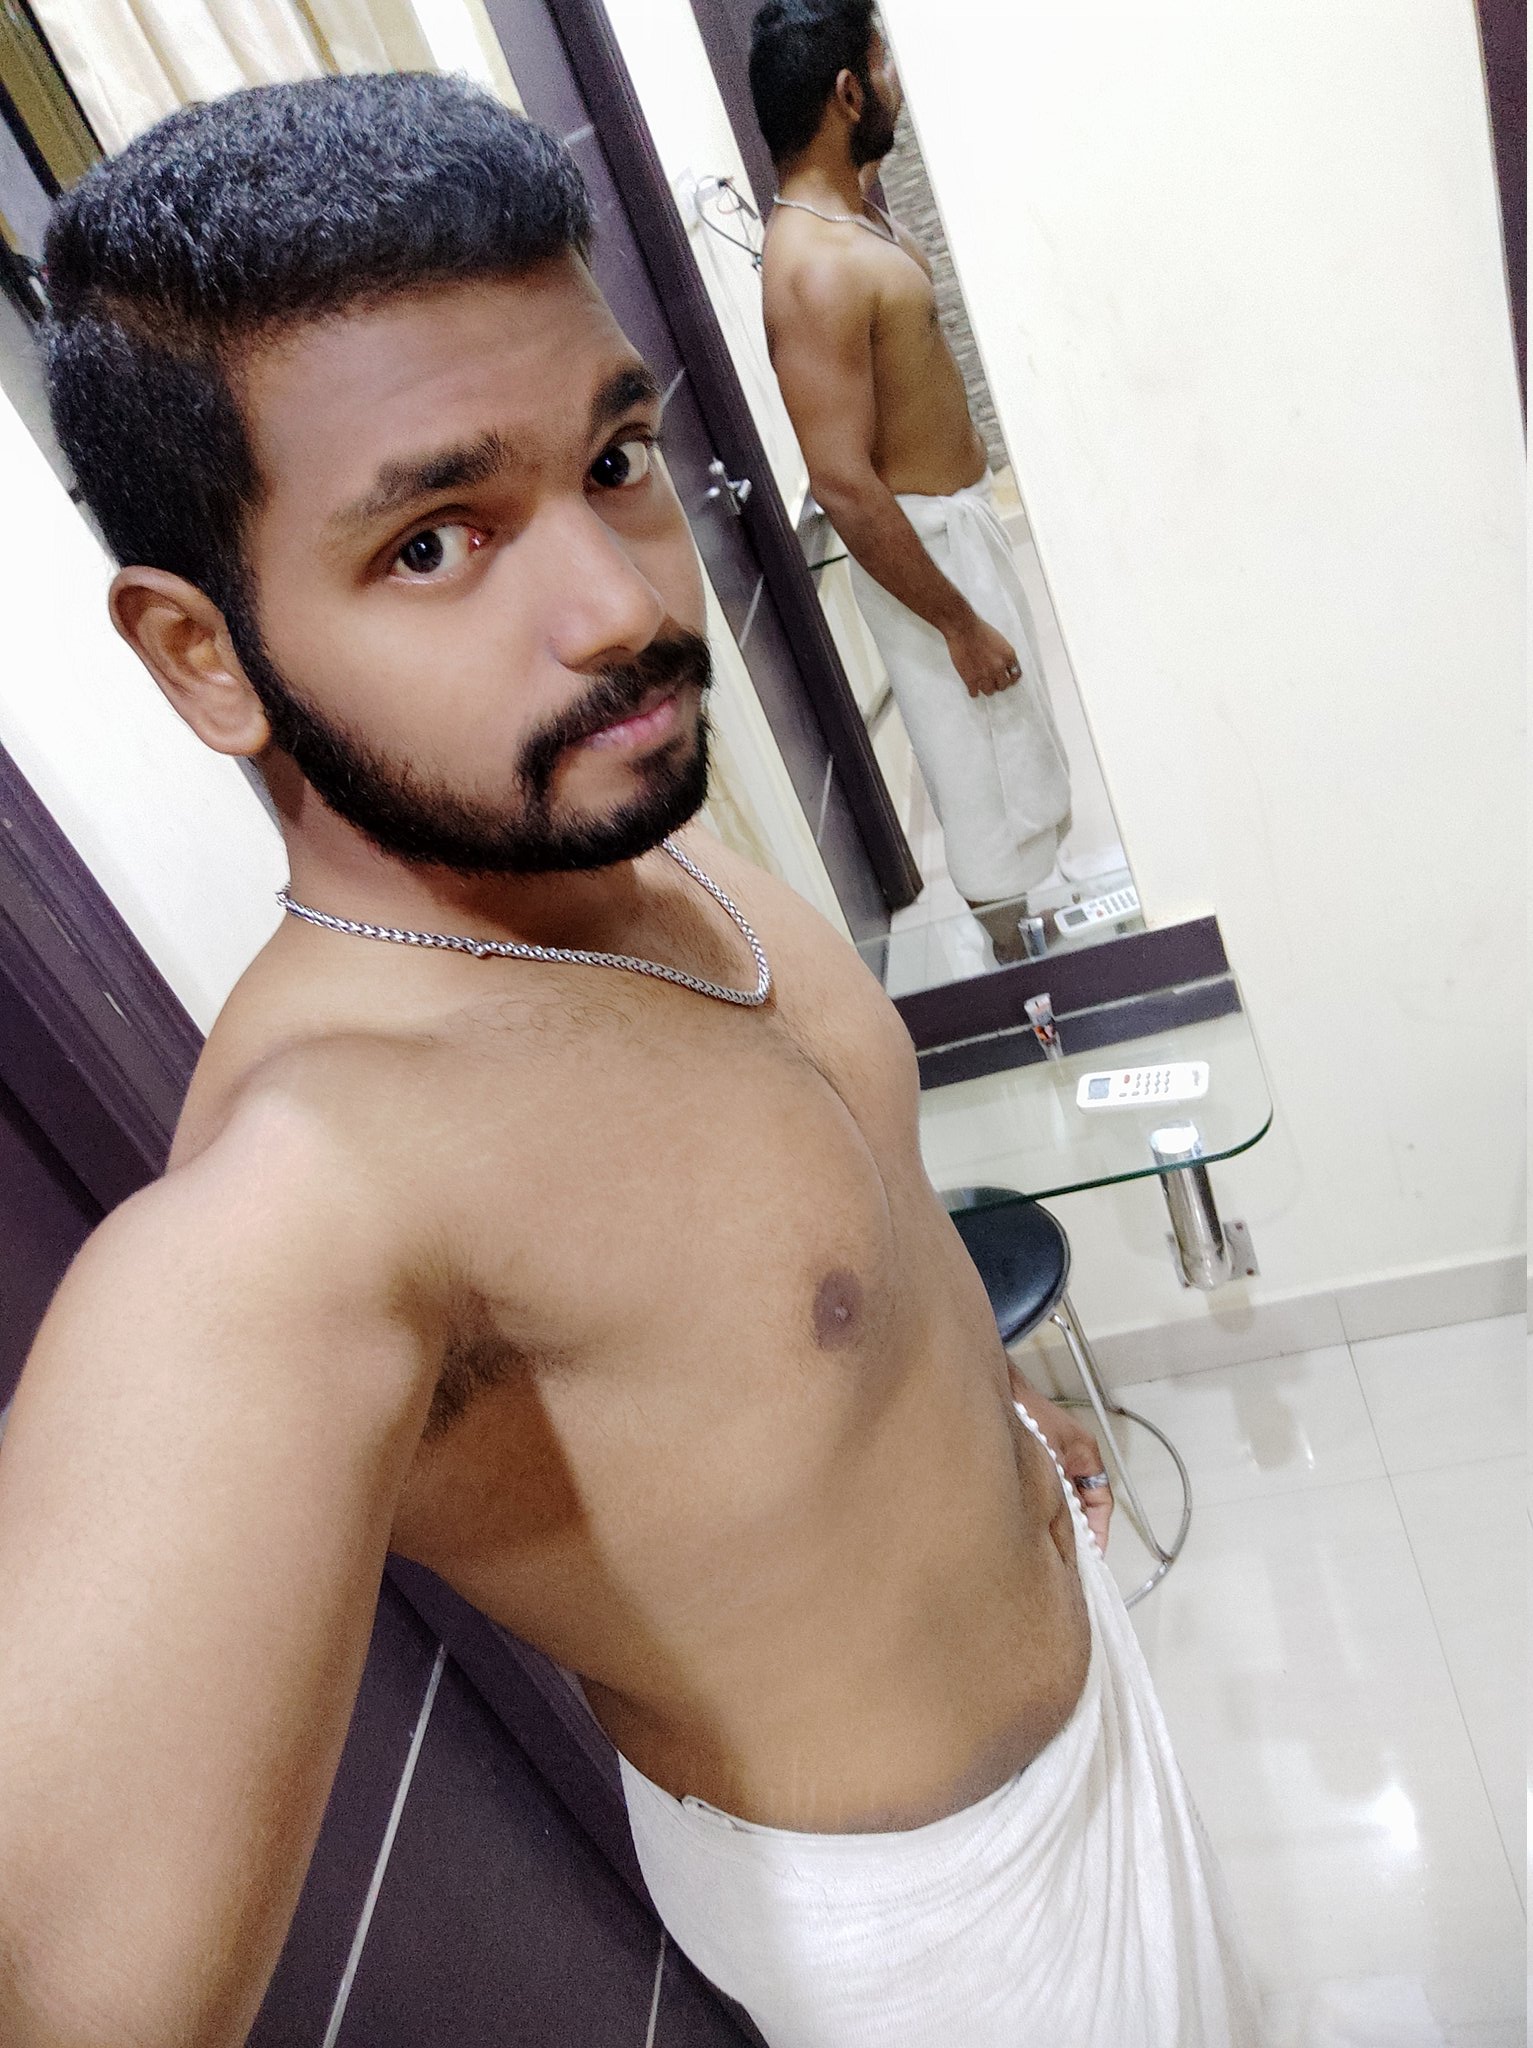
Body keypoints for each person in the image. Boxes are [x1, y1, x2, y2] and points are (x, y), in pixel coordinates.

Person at [0, 74, 1260, 2048]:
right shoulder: (310, 1193)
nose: (622, 606)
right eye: (434, 541)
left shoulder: (634, 842)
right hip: (944, 1941)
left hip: (1090, 1679)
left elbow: (827, 1242)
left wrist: (996, 1410)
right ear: (202, 653)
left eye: (610, 460)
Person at [750, 0, 1073, 962]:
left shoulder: (846, 215)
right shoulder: (817, 266)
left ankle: (1034, 946)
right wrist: (957, 623)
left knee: (1015, 755)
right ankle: (1021, 978)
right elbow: (843, 484)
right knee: (984, 787)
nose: (898, 82)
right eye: (883, 64)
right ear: (847, 92)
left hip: (953, 532)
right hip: (926, 551)